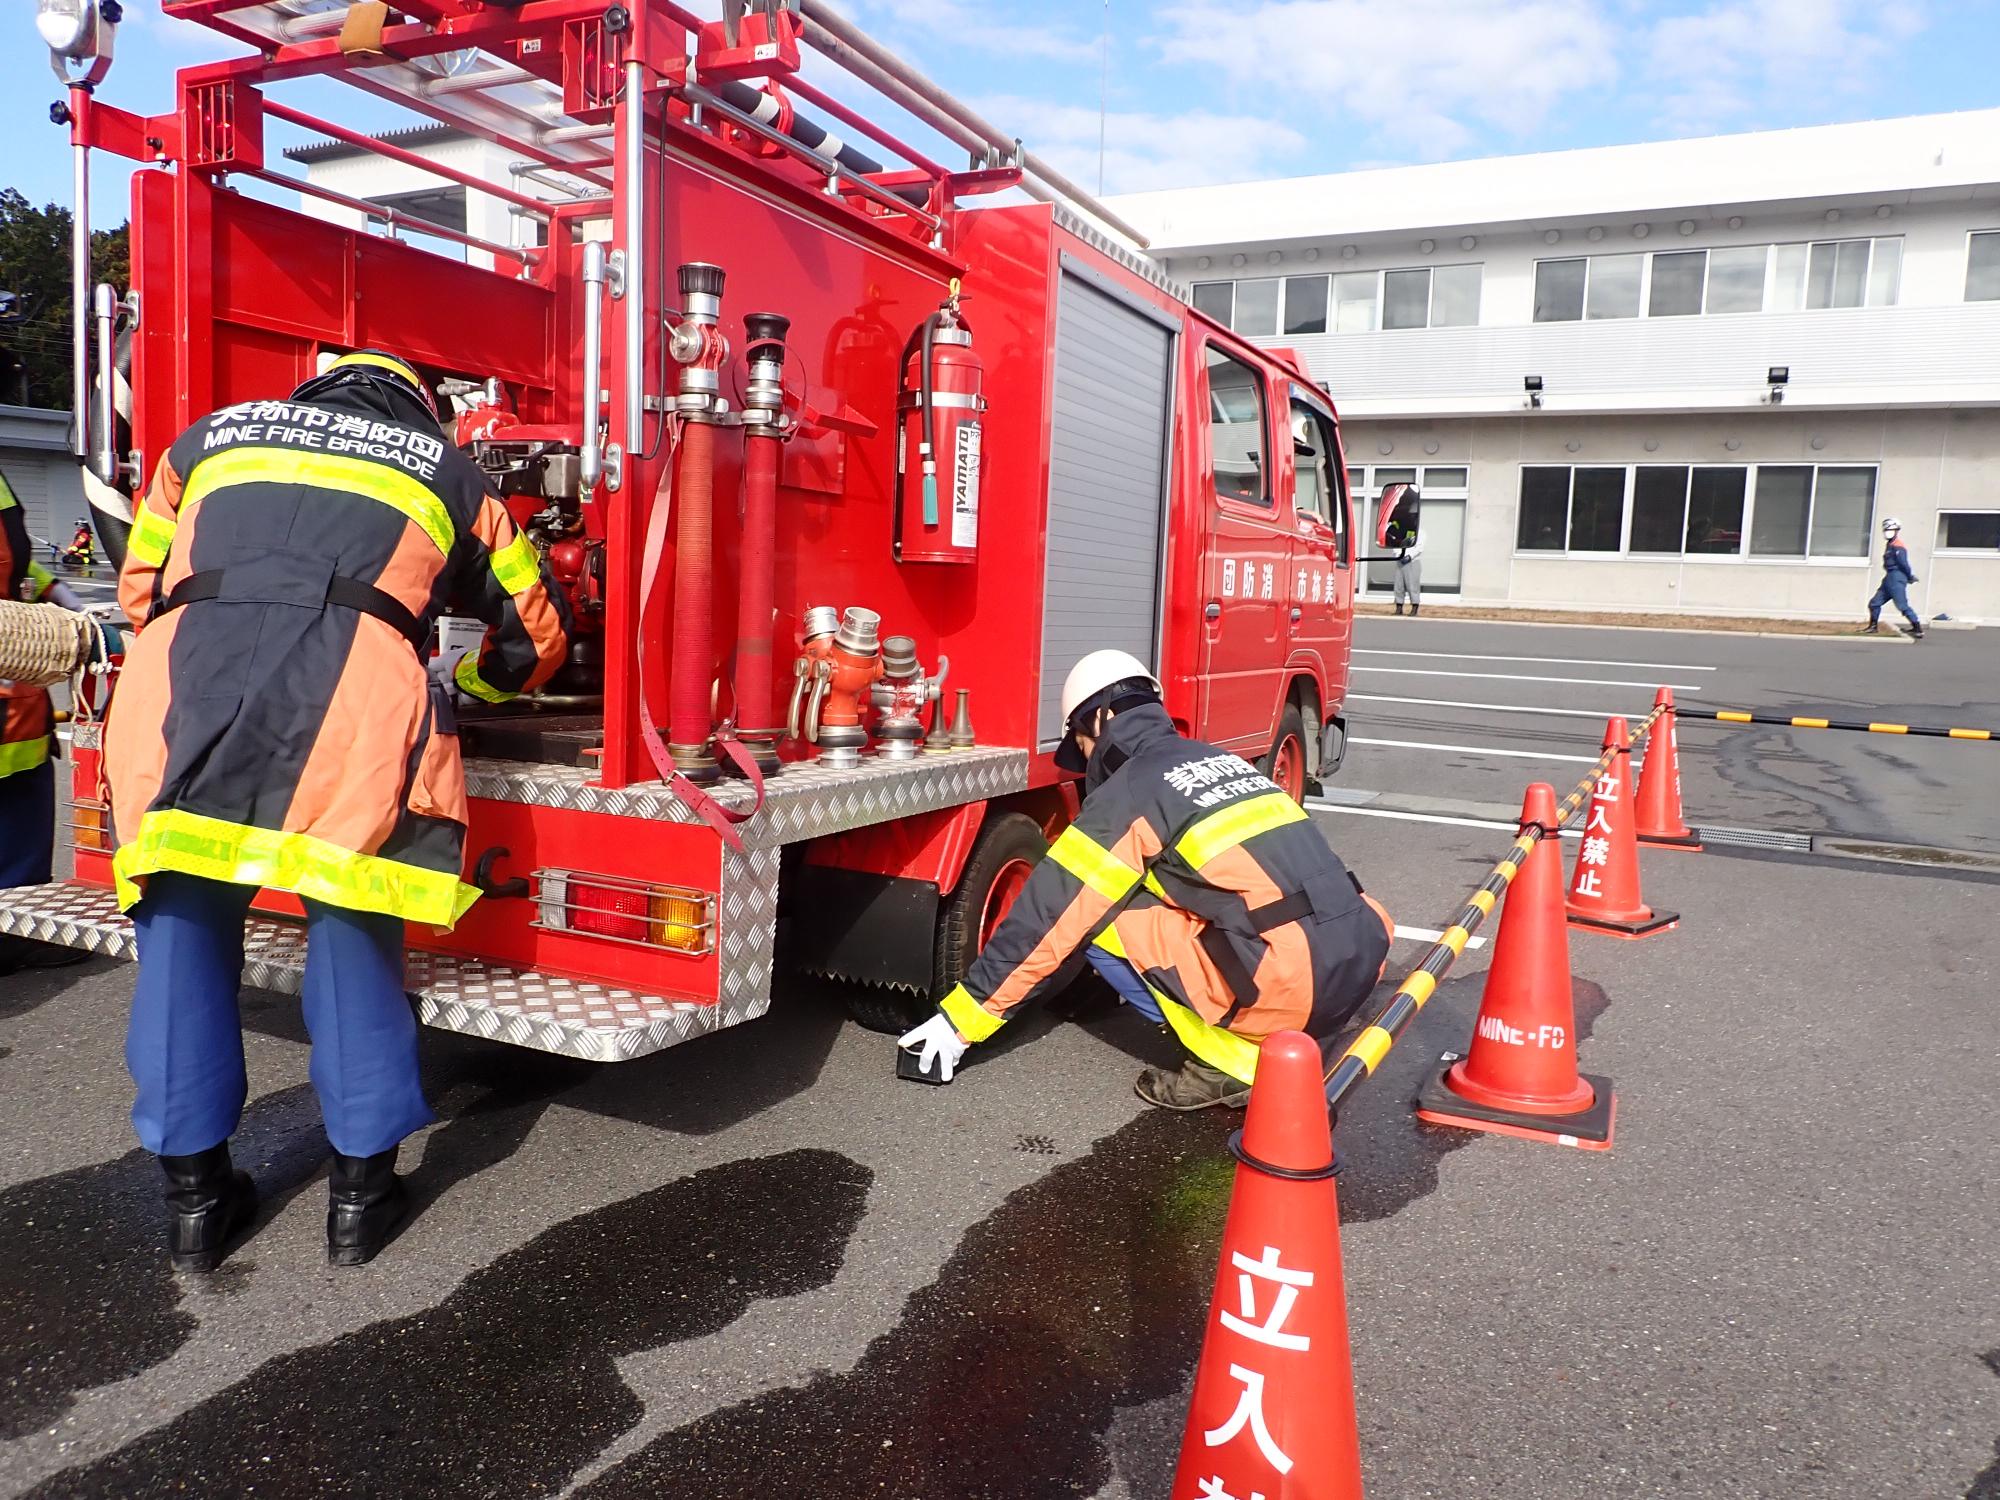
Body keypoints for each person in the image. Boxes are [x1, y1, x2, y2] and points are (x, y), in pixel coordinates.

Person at [103, 349, 569, 1271]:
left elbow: (138, 590)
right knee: (354, 936)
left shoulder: (206, 441)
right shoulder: (445, 468)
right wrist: (464, 681)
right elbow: (536, 633)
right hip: (352, 703)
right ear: (419, 408)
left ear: (314, 389)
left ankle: (195, 1203)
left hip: (178, 697)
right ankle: (361, 1197)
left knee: (180, 938)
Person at [900, 650, 1393, 1109]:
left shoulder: (1132, 789)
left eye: (1083, 744)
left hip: (1291, 987)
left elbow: (1050, 914)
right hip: (1358, 956)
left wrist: (960, 1022)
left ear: (1103, 718)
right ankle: (1276, 1024)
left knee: (1097, 915)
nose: (1087, 759)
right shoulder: (1215, 759)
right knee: (1152, 883)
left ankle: (1230, 1063)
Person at [0, 471, 93, 975]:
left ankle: (19, 928)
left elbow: (13, 561)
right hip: (7, 689)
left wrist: (53, 590)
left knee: (24, 808)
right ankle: (11, 937)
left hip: (18, 688)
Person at [1864, 517, 1923, 639]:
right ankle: (1873, 627)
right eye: (1886, 530)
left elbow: (1903, 563)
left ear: (1896, 531)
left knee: (1902, 605)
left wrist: (1909, 576)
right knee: (1874, 603)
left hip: (1896, 577)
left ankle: (1917, 628)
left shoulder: (1898, 546)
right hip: (1889, 577)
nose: (1887, 532)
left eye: (1890, 529)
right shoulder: (1890, 544)